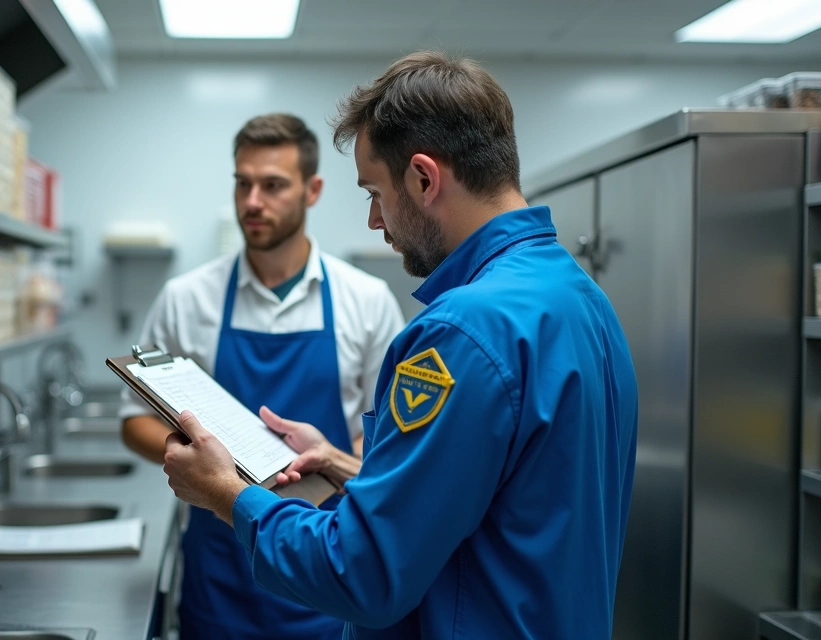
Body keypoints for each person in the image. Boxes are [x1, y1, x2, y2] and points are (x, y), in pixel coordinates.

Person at [159, 53, 639, 639]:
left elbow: (361, 572)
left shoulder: (462, 332)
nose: (373, 220)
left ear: (423, 178)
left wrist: (226, 493)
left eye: (375, 192)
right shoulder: (582, 298)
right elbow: (491, 497)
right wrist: (339, 462)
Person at [119, 113, 406, 639]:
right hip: (219, 576)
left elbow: (386, 435)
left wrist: (328, 462)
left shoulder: (366, 301)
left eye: (273, 185)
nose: (252, 202)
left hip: (327, 564)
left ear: (312, 190)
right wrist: (198, 464)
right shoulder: (186, 299)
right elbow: (135, 420)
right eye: (242, 183)